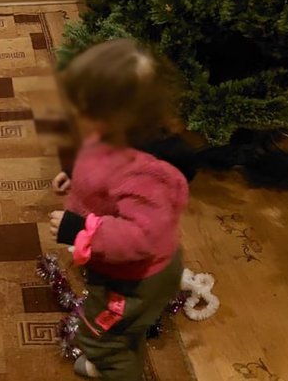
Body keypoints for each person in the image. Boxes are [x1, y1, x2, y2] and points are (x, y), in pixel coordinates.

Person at [48, 39, 194, 381]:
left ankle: (113, 368)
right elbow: (99, 169)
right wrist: (74, 176)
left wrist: (80, 230)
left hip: (134, 279)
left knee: (105, 338)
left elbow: (144, 236)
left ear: (121, 119)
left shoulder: (144, 173)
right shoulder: (110, 137)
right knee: (121, 331)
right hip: (114, 265)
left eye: (86, 108)